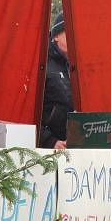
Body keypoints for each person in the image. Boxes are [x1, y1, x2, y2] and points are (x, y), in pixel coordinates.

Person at [39, 13, 73, 149]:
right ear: (56, 36)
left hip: (74, 147)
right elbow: (30, 112)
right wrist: (50, 141)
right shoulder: (42, 64)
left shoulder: (79, 65)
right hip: (48, 149)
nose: (73, 37)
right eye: (68, 33)